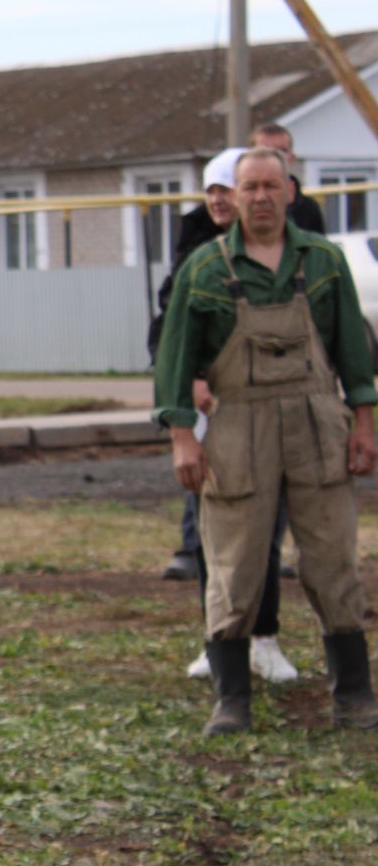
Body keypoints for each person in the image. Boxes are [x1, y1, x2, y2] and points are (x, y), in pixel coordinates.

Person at [154, 145, 378, 736]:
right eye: (247, 187)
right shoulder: (204, 269)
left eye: (269, 187)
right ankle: (232, 700)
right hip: (237, 429)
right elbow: (174, 359)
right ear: (235, 194)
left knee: (332, 556)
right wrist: (183, 437)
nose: (258, 197)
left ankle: (354, 695)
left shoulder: (325, 262)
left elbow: (355, 353)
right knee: (234, 561)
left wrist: (364, 423)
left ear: (289, 193)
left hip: (316, 424)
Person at [151, 148, 299, 685]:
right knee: (212, 533)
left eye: (225, 190)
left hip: (270, 413)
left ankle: (264, 638)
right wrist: (186, 389)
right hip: (213, 418)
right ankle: (218, 639)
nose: (219, 200)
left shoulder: (289, 256)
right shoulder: (196, 258)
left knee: (266, 530)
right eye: (212, 191)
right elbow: (167, 334)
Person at [252, 123, 326, 234]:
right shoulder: (237, 205)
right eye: (265, 152)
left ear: (292, 158)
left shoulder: (308, 209)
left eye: (281, 151)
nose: (274, 158)